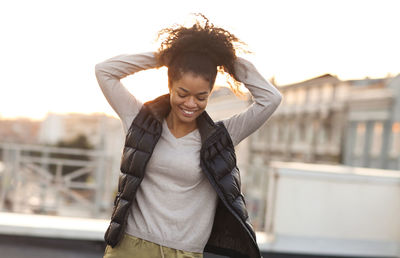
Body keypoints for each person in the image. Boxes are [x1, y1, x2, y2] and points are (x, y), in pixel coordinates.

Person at [95, 14, 282, 258]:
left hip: (184, 252)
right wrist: (166, 57)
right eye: (182, 93)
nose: (190, 104)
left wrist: (225, 61)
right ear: (170, 85)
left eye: (201, 97)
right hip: (130, 247)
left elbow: (271, 99)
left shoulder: (220, 137)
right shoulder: (138, 120)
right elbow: (105, 71)